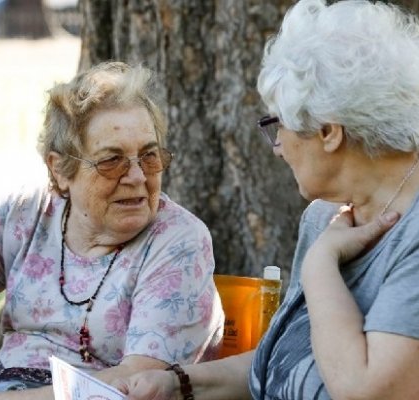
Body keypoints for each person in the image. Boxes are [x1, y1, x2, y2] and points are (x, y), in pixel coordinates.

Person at [0, 61, 224, 398]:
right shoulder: (27, 212)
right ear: (60, 169)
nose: (138, 176)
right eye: (112, 160)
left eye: (150, 155)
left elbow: (135, 386)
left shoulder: (178, 241)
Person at [112, 1, 419, 399]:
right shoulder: (327, 217)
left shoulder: (405, 235)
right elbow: (286, 363)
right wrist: (177, 383)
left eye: (279, 125)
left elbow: (367, 390)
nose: (277, 148)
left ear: (328, 131)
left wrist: (320, 266)